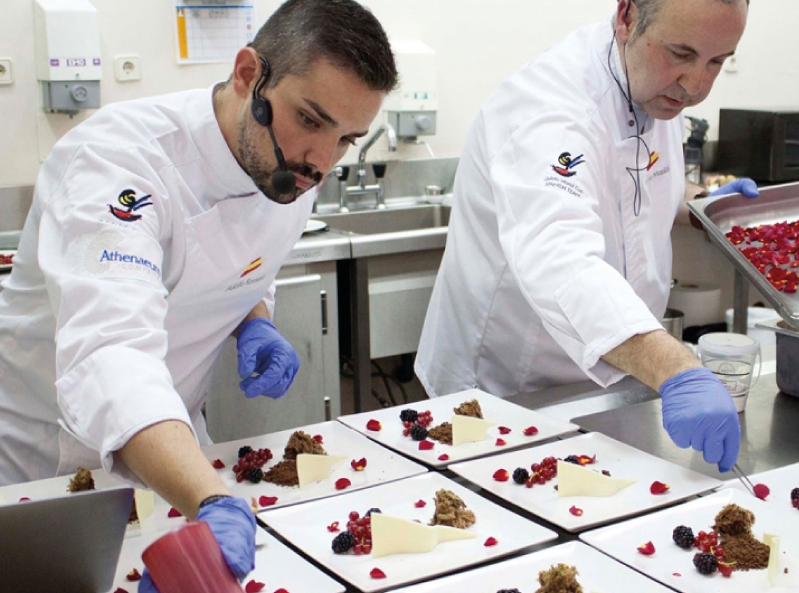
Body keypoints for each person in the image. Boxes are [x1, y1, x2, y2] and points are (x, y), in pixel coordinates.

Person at [0, 0, 396, 586]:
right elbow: (112, 350)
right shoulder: (119, 160)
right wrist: (212, 499)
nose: (322, 161)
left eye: (346, 139)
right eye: (310, 121)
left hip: (176, 458)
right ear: (247, 74)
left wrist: (253, 316)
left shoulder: (295, 168)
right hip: (46, 459)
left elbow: (239, 258)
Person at [416, 0, 755, 474]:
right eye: (682, 53)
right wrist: (676, 369)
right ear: (626, 17)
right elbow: (560, 257)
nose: (697, 85)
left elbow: (628, 188)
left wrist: (701, 206)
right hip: (512, 390)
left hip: (612, 384)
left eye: (718, 62)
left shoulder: (655, 83)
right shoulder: (550, 107)